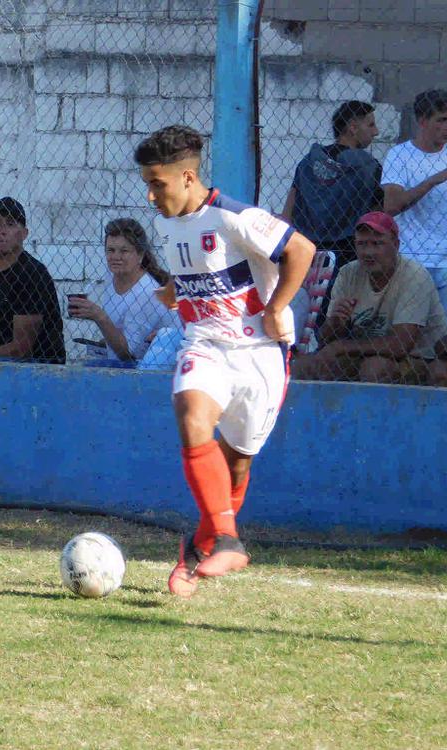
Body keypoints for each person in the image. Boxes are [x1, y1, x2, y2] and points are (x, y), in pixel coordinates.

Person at [133, 125, 315, 598]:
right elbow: (191, 265)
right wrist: (175, 291)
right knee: (192, 415)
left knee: (236, 466)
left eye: (158, 184)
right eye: (148, 184)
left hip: (259, 355)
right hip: (205, 346)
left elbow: (302, 249)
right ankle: (229, 540)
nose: (151, 196)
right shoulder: (166, 223)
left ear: (188, 177)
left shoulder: (236, 217)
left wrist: (276, 309)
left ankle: (197, 549)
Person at [292, 212, 447, 384]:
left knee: (374, 368)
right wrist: (336, 322)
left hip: (419, 358)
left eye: (377, 244)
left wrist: (341, 346)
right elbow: (326, 341)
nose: (368, 252)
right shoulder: (348, 273)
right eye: (362, 244)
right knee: (303, 365)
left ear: (395, 244)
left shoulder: (415, 276)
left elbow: (401, 345)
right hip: (363, 353)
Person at [382, 89, 447, 329]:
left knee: (446, 336)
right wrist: (434, 179)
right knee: (407, 331)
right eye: (441, 120)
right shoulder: (400, 156)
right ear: (423, 121)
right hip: (411, 259)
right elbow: (392, 206)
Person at [0, 197, 65, 364]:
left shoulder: (32, 274)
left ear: (24, 234)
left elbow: (21, 349)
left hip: (36, 369)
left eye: (10, 224)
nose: (1, 231)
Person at [281, 100, 382, 270]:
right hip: (348, 253)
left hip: (306, 250)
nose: (376, 132)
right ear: (353, 127)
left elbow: (287, 213)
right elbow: (377, 215)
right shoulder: (368, 167)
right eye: (371, 125)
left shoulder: (308, 162)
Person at [68, 218, 178, 364]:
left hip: (149, 369)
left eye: (124, 251)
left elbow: (129, 355)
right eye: (110, 250)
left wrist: (100, 317)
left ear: (140, 255)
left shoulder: (147, 292)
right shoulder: (111, 275)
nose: (115, 257)